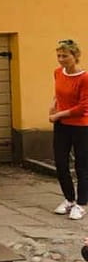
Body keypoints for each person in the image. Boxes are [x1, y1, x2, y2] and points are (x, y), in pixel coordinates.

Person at [49, 39, 88, 220]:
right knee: (61, 163)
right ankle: (69, 199)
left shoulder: (84, 78)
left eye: (65, 56)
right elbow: (58, 93)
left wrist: (59, 115)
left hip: (80, 126)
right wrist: (53, 105)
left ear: (75, 56)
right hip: (62, 125)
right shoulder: (58, 72)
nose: (61, 59)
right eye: (59, 56)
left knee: (82, 165)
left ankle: (81, 204)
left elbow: (82, 107)